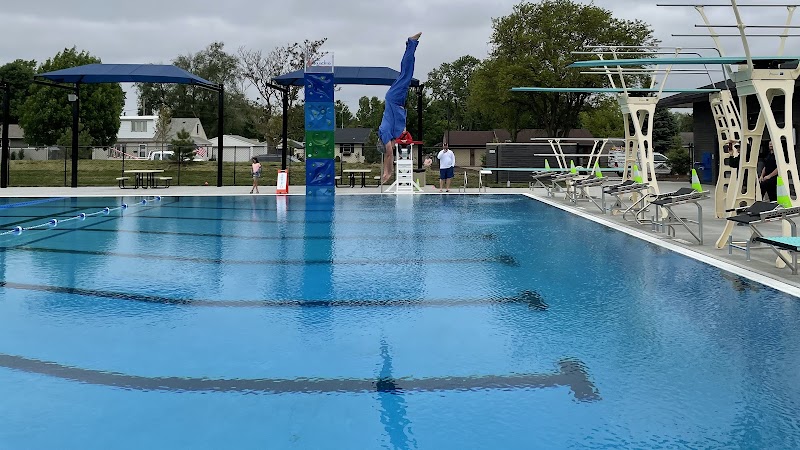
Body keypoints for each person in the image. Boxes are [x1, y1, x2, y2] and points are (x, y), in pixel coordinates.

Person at [378, 32, 422, 183]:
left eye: (389, 145)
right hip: (396, 101)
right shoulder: (391, 133)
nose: (391, 145)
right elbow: (389, 153)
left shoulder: (384, 132)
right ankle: (409, 46)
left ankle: (411, 44)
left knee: (406, 75)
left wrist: (387, 173)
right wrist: (387, 171)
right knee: (406, 74)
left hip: (393, 99)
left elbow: (389, 154)